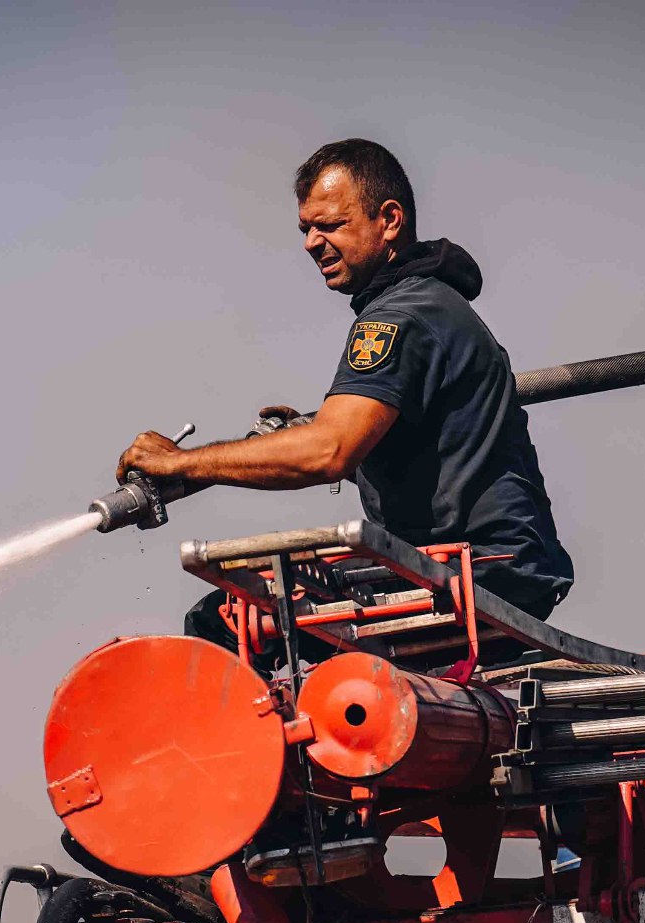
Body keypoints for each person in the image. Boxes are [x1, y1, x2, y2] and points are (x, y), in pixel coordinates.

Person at [115, 138, 576, 646]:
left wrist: (177, 463)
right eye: (305, 229)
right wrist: (299, 437)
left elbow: (329, 451)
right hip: (503, 566)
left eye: (330, 225)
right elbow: (420, 462)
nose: (312, 242)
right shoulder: (431, 304)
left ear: (390, 220)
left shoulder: (399, 318)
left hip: (477, 571)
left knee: (230, 622)